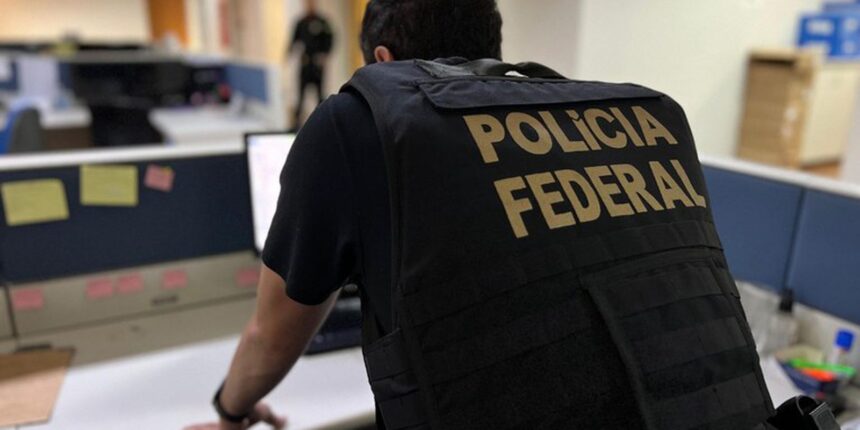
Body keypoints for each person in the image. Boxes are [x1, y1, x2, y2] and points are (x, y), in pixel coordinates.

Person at [189, 0, 794, 429]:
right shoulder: (648, 116)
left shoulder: (361, 121)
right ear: (493, 50)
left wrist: (230, 413)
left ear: (382, 60)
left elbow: (272, 333)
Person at [286, 0, 333, 130]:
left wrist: (325, 55)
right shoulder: (301, 22)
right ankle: (296, 126)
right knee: (301, 96)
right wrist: (288, 54)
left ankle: (324, 123)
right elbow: (294, 40)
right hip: (305, 63)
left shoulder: (322, 22)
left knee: (320, 95)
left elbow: (330, 39)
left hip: (317, 65)